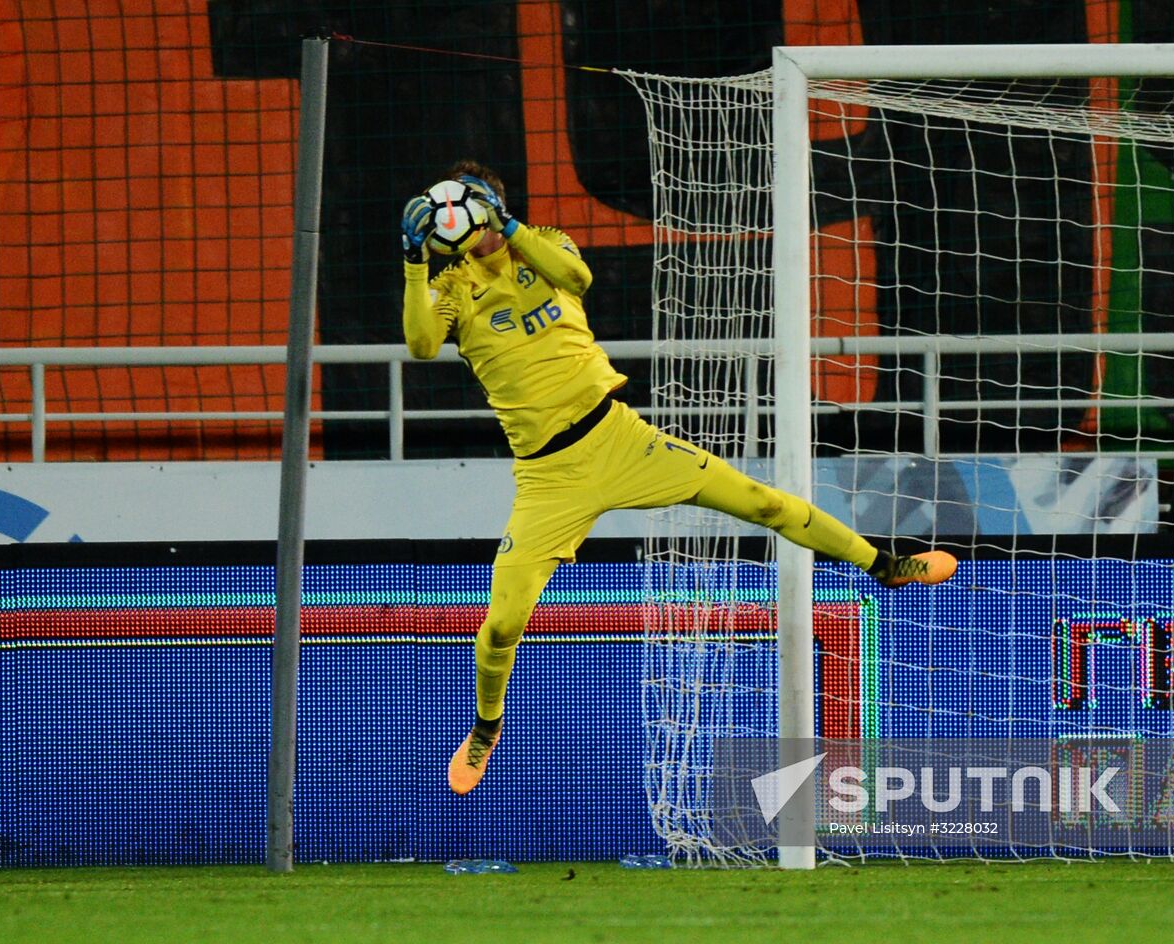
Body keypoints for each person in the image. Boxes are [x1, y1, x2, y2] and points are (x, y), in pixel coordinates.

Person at [400, 160, 957, 795]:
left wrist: (510, 226)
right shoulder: (448, 285)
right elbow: (420, 345)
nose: (464, 217)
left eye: (477, 203)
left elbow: (577, 277)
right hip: (548, 475)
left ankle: (884, 563)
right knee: (502, 622)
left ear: (490, 205)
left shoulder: (546, 243)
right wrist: (414, 259)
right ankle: (485, 727)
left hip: (618, 437)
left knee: (762, 502)